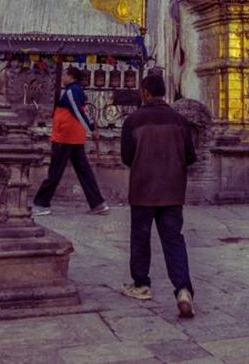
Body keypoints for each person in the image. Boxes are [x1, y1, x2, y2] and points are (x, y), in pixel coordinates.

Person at [119, 72, 197, 318]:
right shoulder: (179, 121)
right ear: (163, 92)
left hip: (143, 189)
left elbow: (126, 158)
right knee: (174, 239)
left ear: (144, 92)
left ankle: (141, 284)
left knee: (141, 237)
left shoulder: (133, 121)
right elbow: (190, 156)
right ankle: (183, 289)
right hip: (173, 191)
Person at [30, 66, 110, 216]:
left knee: (55, 171)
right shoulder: (76, 90)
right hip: (74, 137)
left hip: (65, 137)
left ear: (70, 76)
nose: (63, 78)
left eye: (65, 75)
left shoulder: (72, 91)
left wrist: (91, 130)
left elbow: (78, 112)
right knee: (84, 172)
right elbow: (78, 111)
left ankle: (41, 204)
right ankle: (98, 203)